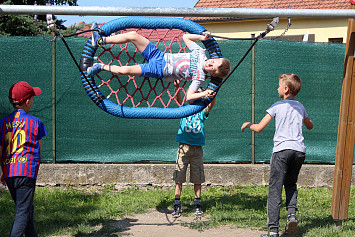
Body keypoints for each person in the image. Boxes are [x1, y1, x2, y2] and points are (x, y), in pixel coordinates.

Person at [241, 74, 313, 237]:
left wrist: (248, 125)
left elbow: (259, 128)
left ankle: (273, 230)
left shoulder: (277, 106)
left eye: (279, 85)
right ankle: (292, 216)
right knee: (291, 184)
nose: (277, 88)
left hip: (282, 151)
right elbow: (310, 126)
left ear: (286, 89)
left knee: (275, 188)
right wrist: (302, 116)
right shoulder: (300, 107)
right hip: (299, 151)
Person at [87, 23, 231, 103]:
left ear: (212, 73)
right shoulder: (201, 53)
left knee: (124, 71)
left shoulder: (199, 78)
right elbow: (186, 37)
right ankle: (100, 40)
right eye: (213, 61)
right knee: (133, 35)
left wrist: (204, 92)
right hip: (160, 55)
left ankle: (100, 67)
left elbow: (189, 97)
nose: (210, 64)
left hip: (158, 69)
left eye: (213, 68)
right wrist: (202, 37)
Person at [0, 81, 47, 237]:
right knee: (22, 212)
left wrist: (2, 172)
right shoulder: (36, 123)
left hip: (8, 173)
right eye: (32, 98)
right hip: (26, 173)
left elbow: (1, 150)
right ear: (27, 101)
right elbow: (38, 150)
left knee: (26, 210)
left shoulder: (2, 123)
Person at [171, 80, 216, 218]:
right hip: (183, 147)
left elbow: (210, 105)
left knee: (197, 178)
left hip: (197, 149)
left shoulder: (202, 110)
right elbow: (179, 100)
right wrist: (176, 86)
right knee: (179, 177)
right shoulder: (185, 109)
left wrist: (213, 95)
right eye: (194, 92)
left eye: (199, 93)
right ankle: (177, 204)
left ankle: (197, 204)